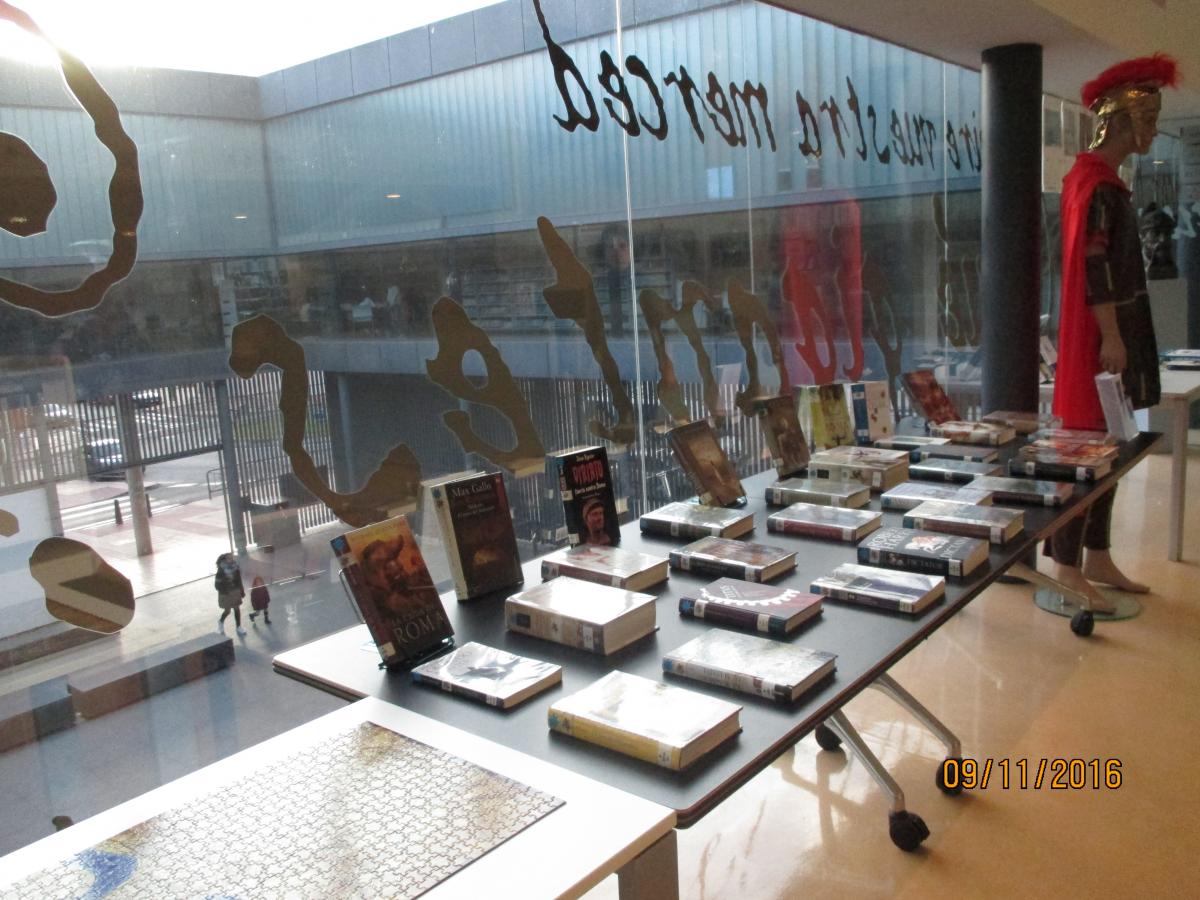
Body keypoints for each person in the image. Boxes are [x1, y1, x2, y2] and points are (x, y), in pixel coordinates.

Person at [1047, 54, 1179, 612]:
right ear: (1121, 121)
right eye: (1146, 119)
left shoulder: (1099, 183)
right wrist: (1112, 336)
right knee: (1088, 451)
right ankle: (1066, 563)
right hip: (1099, 339)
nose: (1151, 130)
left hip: (1109, 332)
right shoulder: (1095, 186)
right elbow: (1094, 264)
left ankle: (1096, 554)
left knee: (1112, 445)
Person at [214, 552, 247, 635]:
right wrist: (224, 591)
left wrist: (242, 591)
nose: (231, 559)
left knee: (237, 609)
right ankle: (221, 622)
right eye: (229, 558)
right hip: (225, 593)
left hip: (235, 591)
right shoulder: (221, 570)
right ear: (225, 560)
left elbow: (239, 581)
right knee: (227, 611)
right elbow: (217, 585)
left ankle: (238, 626)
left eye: (232, 558)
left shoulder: (235, 567)